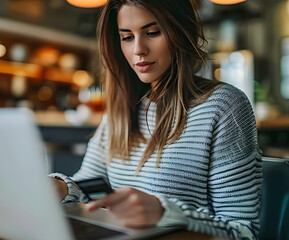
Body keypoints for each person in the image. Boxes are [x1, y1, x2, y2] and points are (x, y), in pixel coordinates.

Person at [50, 0, 263, 239]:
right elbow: (89, 187)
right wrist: (60, 187)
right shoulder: (122, 109)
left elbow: (243, 232)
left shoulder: (223, 106)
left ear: (180, 32)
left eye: (152, 32)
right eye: (127, 37)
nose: (138, 49)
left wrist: (165, 214)